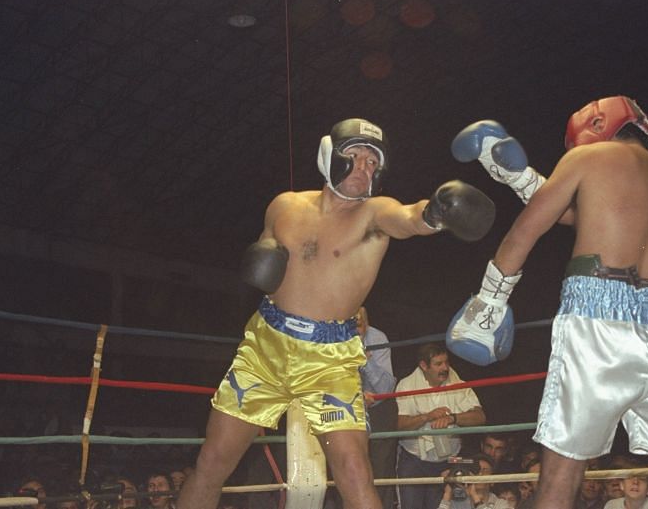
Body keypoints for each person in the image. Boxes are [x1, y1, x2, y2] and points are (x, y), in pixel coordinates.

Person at [446, 97, 648, 509]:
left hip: (599, 321)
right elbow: (592, 213)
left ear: (593, 126)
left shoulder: (588, 157)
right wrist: (519, 177)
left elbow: (525, 231)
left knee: (562, 470)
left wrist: (488, 301)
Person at [177, 118, 496, 509]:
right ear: (330, 155)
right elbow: (265, 264)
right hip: (266, 347)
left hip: (329, 358)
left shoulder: (374, 214)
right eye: (356, 156)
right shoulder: (284, 205)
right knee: (212, 461)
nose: (364, 168)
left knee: (353, 470)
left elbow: (409, 218)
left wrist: (435, 215)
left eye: (372, 163)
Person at [396, 343, 486, 509]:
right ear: (424, 366)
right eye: (438, 364)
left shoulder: (457, 383)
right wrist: (427, 417)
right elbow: (399, 425)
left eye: (446, 362)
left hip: (448, 461)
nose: (445, 368)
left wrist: (453, 418)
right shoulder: (406, 385)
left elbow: (480, 417)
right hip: (413, 460)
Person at [358, 306, 399, 509]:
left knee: (381, 473)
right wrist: (355, 396)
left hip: (378, 409)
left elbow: (386, 387)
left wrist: (364, 359)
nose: (357, 327)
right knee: (348, 468)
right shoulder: (330, 336)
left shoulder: (377, 337)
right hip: (347, 407)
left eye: (360, 322)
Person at [437, 454, 510, 509]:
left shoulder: (501, 504)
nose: (480, 473)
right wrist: (447, 495)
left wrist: (475, 497)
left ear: (493, 481)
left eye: (485, 470)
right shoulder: (456, 501)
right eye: (476, 470)